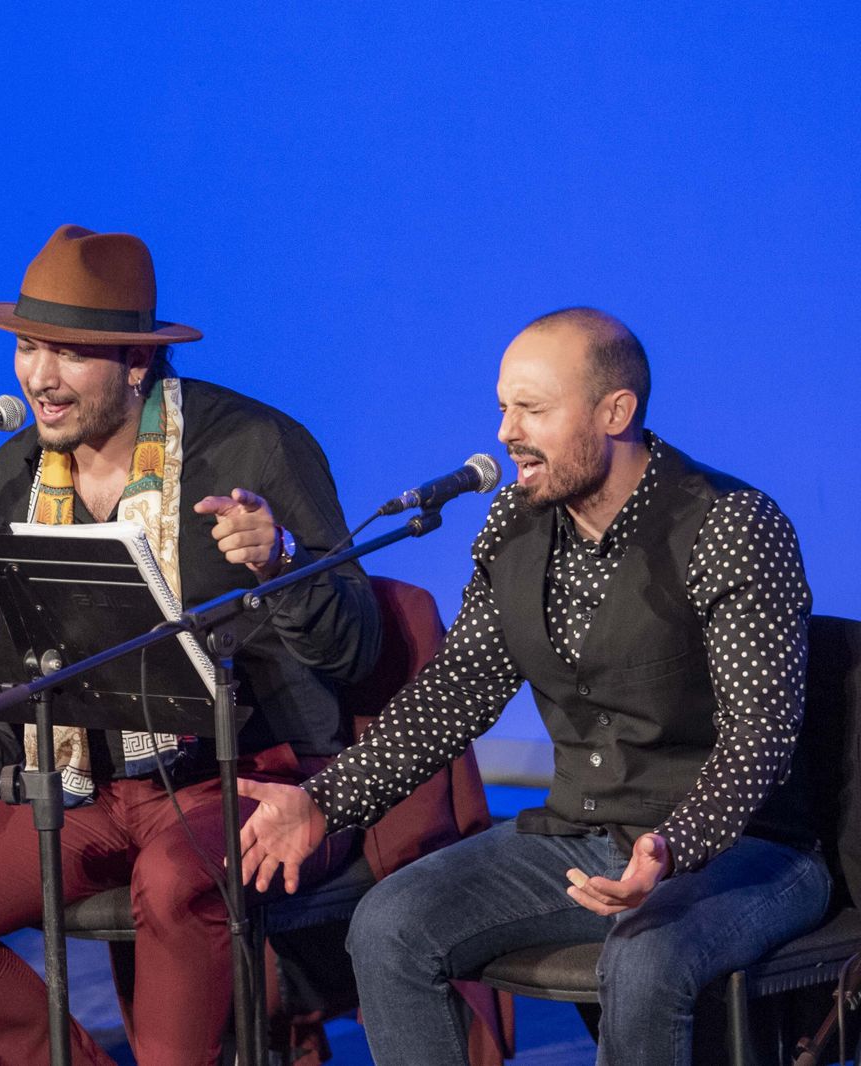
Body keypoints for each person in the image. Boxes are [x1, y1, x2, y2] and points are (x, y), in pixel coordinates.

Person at [236, 307, 831, 1065]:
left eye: (533, 409)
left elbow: (760, 736)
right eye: (503, 408)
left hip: (745, 850)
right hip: (584, 834)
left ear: (615, 412)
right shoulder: (514, 524)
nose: (506, 432)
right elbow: (455, 692)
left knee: (643, 957)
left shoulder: (730, 525)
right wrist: (325, 802)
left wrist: (671, 847)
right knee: (389, 925)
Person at [0, 224, 383, 1066]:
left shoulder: (252, 446)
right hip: (89, 787)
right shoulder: (13, 475)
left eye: (69, 353)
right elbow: (16, 660)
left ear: (137, 361)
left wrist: (283, 561)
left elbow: (355, 649)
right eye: (28, 347)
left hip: (247, 774)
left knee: (174, 883)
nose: (40, 377)